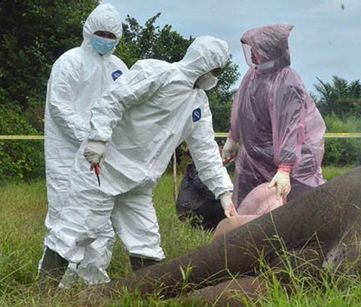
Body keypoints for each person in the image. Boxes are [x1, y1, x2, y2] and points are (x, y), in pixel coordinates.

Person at [39, 36, 237, 284]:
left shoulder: (198, 103)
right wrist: (98, 139)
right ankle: (43, 294)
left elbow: (206, 149)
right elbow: (113, 99)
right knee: (75, 229)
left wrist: (224, 193)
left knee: (145, 239)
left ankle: (148, 296)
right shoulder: (157, 73)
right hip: (104, 168)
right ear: (204, 63)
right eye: (215, 70)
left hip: (139, 182)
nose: (215, 77)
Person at [40, 3, 128, 285]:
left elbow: (125, 109)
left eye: (111, 35)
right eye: (100, 32)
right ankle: (59, 284)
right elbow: (59, 107)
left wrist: (106, 143)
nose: (105, 39)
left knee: (100, 219)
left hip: (103, 156)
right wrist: (90, 138)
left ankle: (93, 280)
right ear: (88, 29)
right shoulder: (70, 61)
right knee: (65, 215)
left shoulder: (119, 68)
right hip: (66, 153)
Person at [222, 24, 326, 206]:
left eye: (256, 48)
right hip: (254, 156)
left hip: (291, 160)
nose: (252, 53)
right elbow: (240, 108)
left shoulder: (287, 82)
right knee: (251, 206)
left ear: (268, 49)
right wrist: (233, 138)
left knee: (295, 208)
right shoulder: (252, 76)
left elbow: (290, 127)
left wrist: (285, 167)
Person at [176, 161, 227, 230]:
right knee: (226, 205)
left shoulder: (210, 161)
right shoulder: (201, 161)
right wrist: (224, 194)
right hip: (190, 210)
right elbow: (201, 184)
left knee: (227, 203)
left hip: (196, 207)